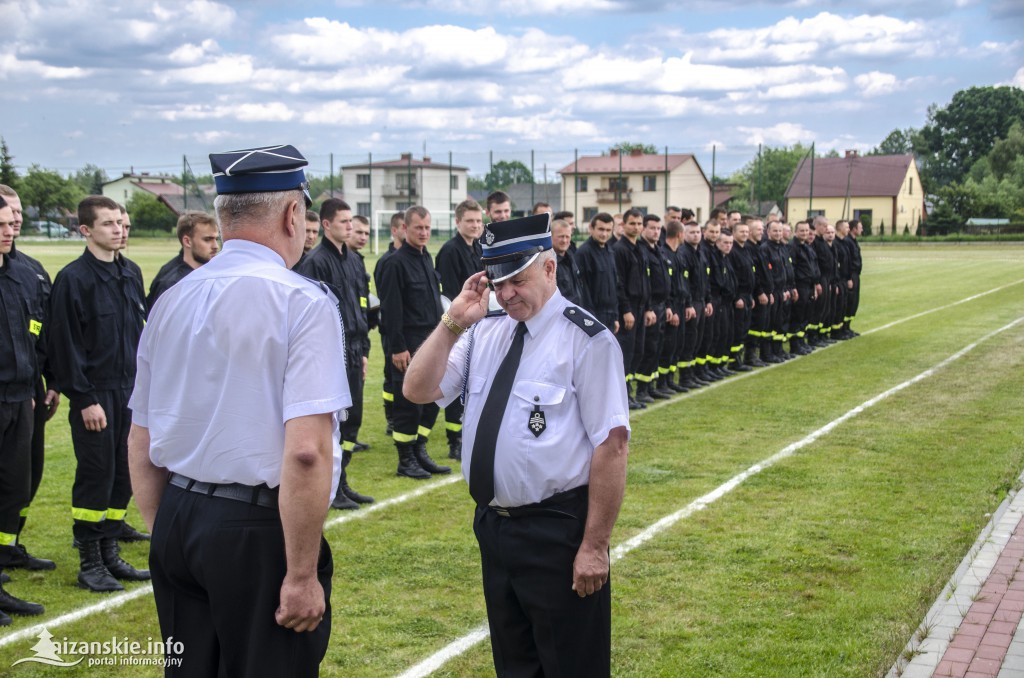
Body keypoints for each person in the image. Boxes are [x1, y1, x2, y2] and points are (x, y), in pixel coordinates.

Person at [128, 144, 348, 677]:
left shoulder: (173, 297)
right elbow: (305, 452)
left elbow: (141, 433)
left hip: (180, 511)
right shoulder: (302, 301)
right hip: (255, 525)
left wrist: (166, 530)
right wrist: (299, 574)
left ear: (225, 217)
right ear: (294, 215)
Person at [402, 213, 630, 678]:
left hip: (557, 532)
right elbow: (418, 390)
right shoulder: (484, 331)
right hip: (494, 530)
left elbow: (612, 447)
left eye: (517, 280)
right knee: (516, 666)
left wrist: (595, 545)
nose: (505, 294)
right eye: (497, 282)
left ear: (550, 269)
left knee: (571, 666)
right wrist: (452, 323)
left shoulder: (587, 341)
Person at [48, 196, 149, 592]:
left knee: (124, 473)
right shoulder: (74, 279)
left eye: (122, 223)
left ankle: (110, 553)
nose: (119, 230)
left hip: (129, 391)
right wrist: (84, 398)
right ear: (86, 230)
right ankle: (89, 561)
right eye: (108, 224)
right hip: (96, 394)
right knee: (96, 474)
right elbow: (65, 344)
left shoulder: (131, 273)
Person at [296, 199, 374, 510]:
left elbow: (362, 305)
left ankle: (342, 481)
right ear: (326, 225)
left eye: (350, 221)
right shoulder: (315, 262)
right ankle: (329, 487)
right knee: (334, 421)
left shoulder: (354, 260)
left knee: (353, 419)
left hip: (356, 350)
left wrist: (365, 350)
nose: (350, 227)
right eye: (343, 222)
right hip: (332, 351)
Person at [0, 184, 58, 571]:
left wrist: (40, 383)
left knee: (16, 486)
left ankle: (5, 556)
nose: (10, 229)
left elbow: (37, 332)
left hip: (23, 396)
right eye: (1, 223)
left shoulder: (23, 274)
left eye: (11, 221)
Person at [379, 205, 450, 479]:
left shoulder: (425, 258)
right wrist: (397, 347)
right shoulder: (396, 263)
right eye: (418, 227)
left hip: (431, 340)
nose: (424, 233)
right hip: (408, 343)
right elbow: (392, 308)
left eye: (427, 228)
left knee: (432, 397)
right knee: (408, 403)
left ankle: (420, 449)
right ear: (405, 228)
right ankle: (405, 459)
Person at [434, 199, 485, 461]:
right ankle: (454, 440)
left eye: (478, 221)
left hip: (479, 324)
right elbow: (451, 298)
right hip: (460, 325)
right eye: (470, 221)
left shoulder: (478, 248)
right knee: (456, 379)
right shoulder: (450, 251)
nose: (475, 226)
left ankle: (466, 432)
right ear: (457, 222)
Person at [612, 209, 654, 409]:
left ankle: (630, 393)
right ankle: (622, 396)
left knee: (638, 351)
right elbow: (619, 283)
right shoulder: (620, 250)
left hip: (640, 308)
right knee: (626, 354)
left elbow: (645, 280)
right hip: (627, 309)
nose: (636, 227)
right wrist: (626, 309)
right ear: (623, 225)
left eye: (639, 224)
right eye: (632, 224)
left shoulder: (640, 248)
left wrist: (647, 308)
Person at [147, 211, 220, 309]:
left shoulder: (211, 273)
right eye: (207, 239)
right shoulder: (172, 284)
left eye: (216, 239)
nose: (216, 246)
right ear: (187, 241)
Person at [374, 212, 406, 438]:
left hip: (408, 331)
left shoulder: (416, 258)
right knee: (391, 376)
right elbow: (388, 302)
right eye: (405, 227)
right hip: (392, 331)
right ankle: (392, 418)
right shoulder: (388, 262)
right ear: (394, 230)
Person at [637, 214, 674, 398]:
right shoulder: (642, 251)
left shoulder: (658, 250)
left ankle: (652, 385)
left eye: (658, 228)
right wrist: (649, 308)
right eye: (652, 228)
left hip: (661, 306)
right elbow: (645, 283)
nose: (656, 231)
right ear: (643, 229)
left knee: (658, 347)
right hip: (650, 307)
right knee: (649, 348)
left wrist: (667, 305)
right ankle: (642, 389)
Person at [659, 219, 694, 392]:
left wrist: (687, 303)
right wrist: (669, 308)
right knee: (668, 345)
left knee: (677, 345)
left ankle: (670, 380)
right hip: (671, 307)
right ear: (680, 234)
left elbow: (683, 282)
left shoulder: (679, 255)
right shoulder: (664, 255)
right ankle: (662, 382)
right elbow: (666, 286)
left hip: (680, 304)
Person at [678, 221, 712, 388]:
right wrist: (688, 304)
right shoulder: (684, 253)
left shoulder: (701, 253)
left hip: (701, 301)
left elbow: (705, 280)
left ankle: (695, 374)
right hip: (691, 304)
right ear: (684, 234)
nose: (695, 235)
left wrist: (707, 300)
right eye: (691, 232)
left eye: (698, 232)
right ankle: (685, 377)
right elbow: (685, 283)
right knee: (689, 341)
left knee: (698, 340)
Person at [574, 212, 619, 332]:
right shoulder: (583, 253)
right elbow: (583, 289)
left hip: (610, 315)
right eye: (601, 229)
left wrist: (615, 316)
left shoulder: (610, 252)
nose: (604, 234)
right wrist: (590, 317)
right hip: (593, 315)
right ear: (591, 228)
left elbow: (614, 285)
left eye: (608, 230)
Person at [552, 218, 588, 307]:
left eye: (567, 236)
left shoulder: (571, 258)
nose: (564, 240)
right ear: (550, 237)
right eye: (560, 236)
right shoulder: (548, 264)